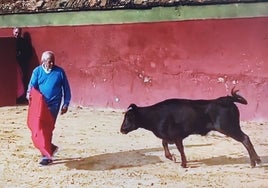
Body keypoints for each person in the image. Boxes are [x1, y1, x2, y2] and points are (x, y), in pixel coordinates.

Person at [27, 51, 71, 166]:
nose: (51, 63)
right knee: (38, 128)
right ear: (43, 61)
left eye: (53, 61)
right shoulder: (37, 71)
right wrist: (29, 95)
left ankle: (46, 156)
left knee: (47, 128)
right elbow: (32, 87)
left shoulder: (59, 72)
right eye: (49, 61)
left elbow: (66, 88)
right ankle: (50, 147)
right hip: (41, 105)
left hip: (54, 104)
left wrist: (66, 103)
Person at [13, 27, 32, 103]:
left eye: (18, 33)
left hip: (22, 64)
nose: (17, 34)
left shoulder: (24, 42)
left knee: (23, 79)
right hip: (13, 65)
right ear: (13, 32)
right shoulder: (11, 41)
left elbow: (28, 53)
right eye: (16, 32)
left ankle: (22, 98)